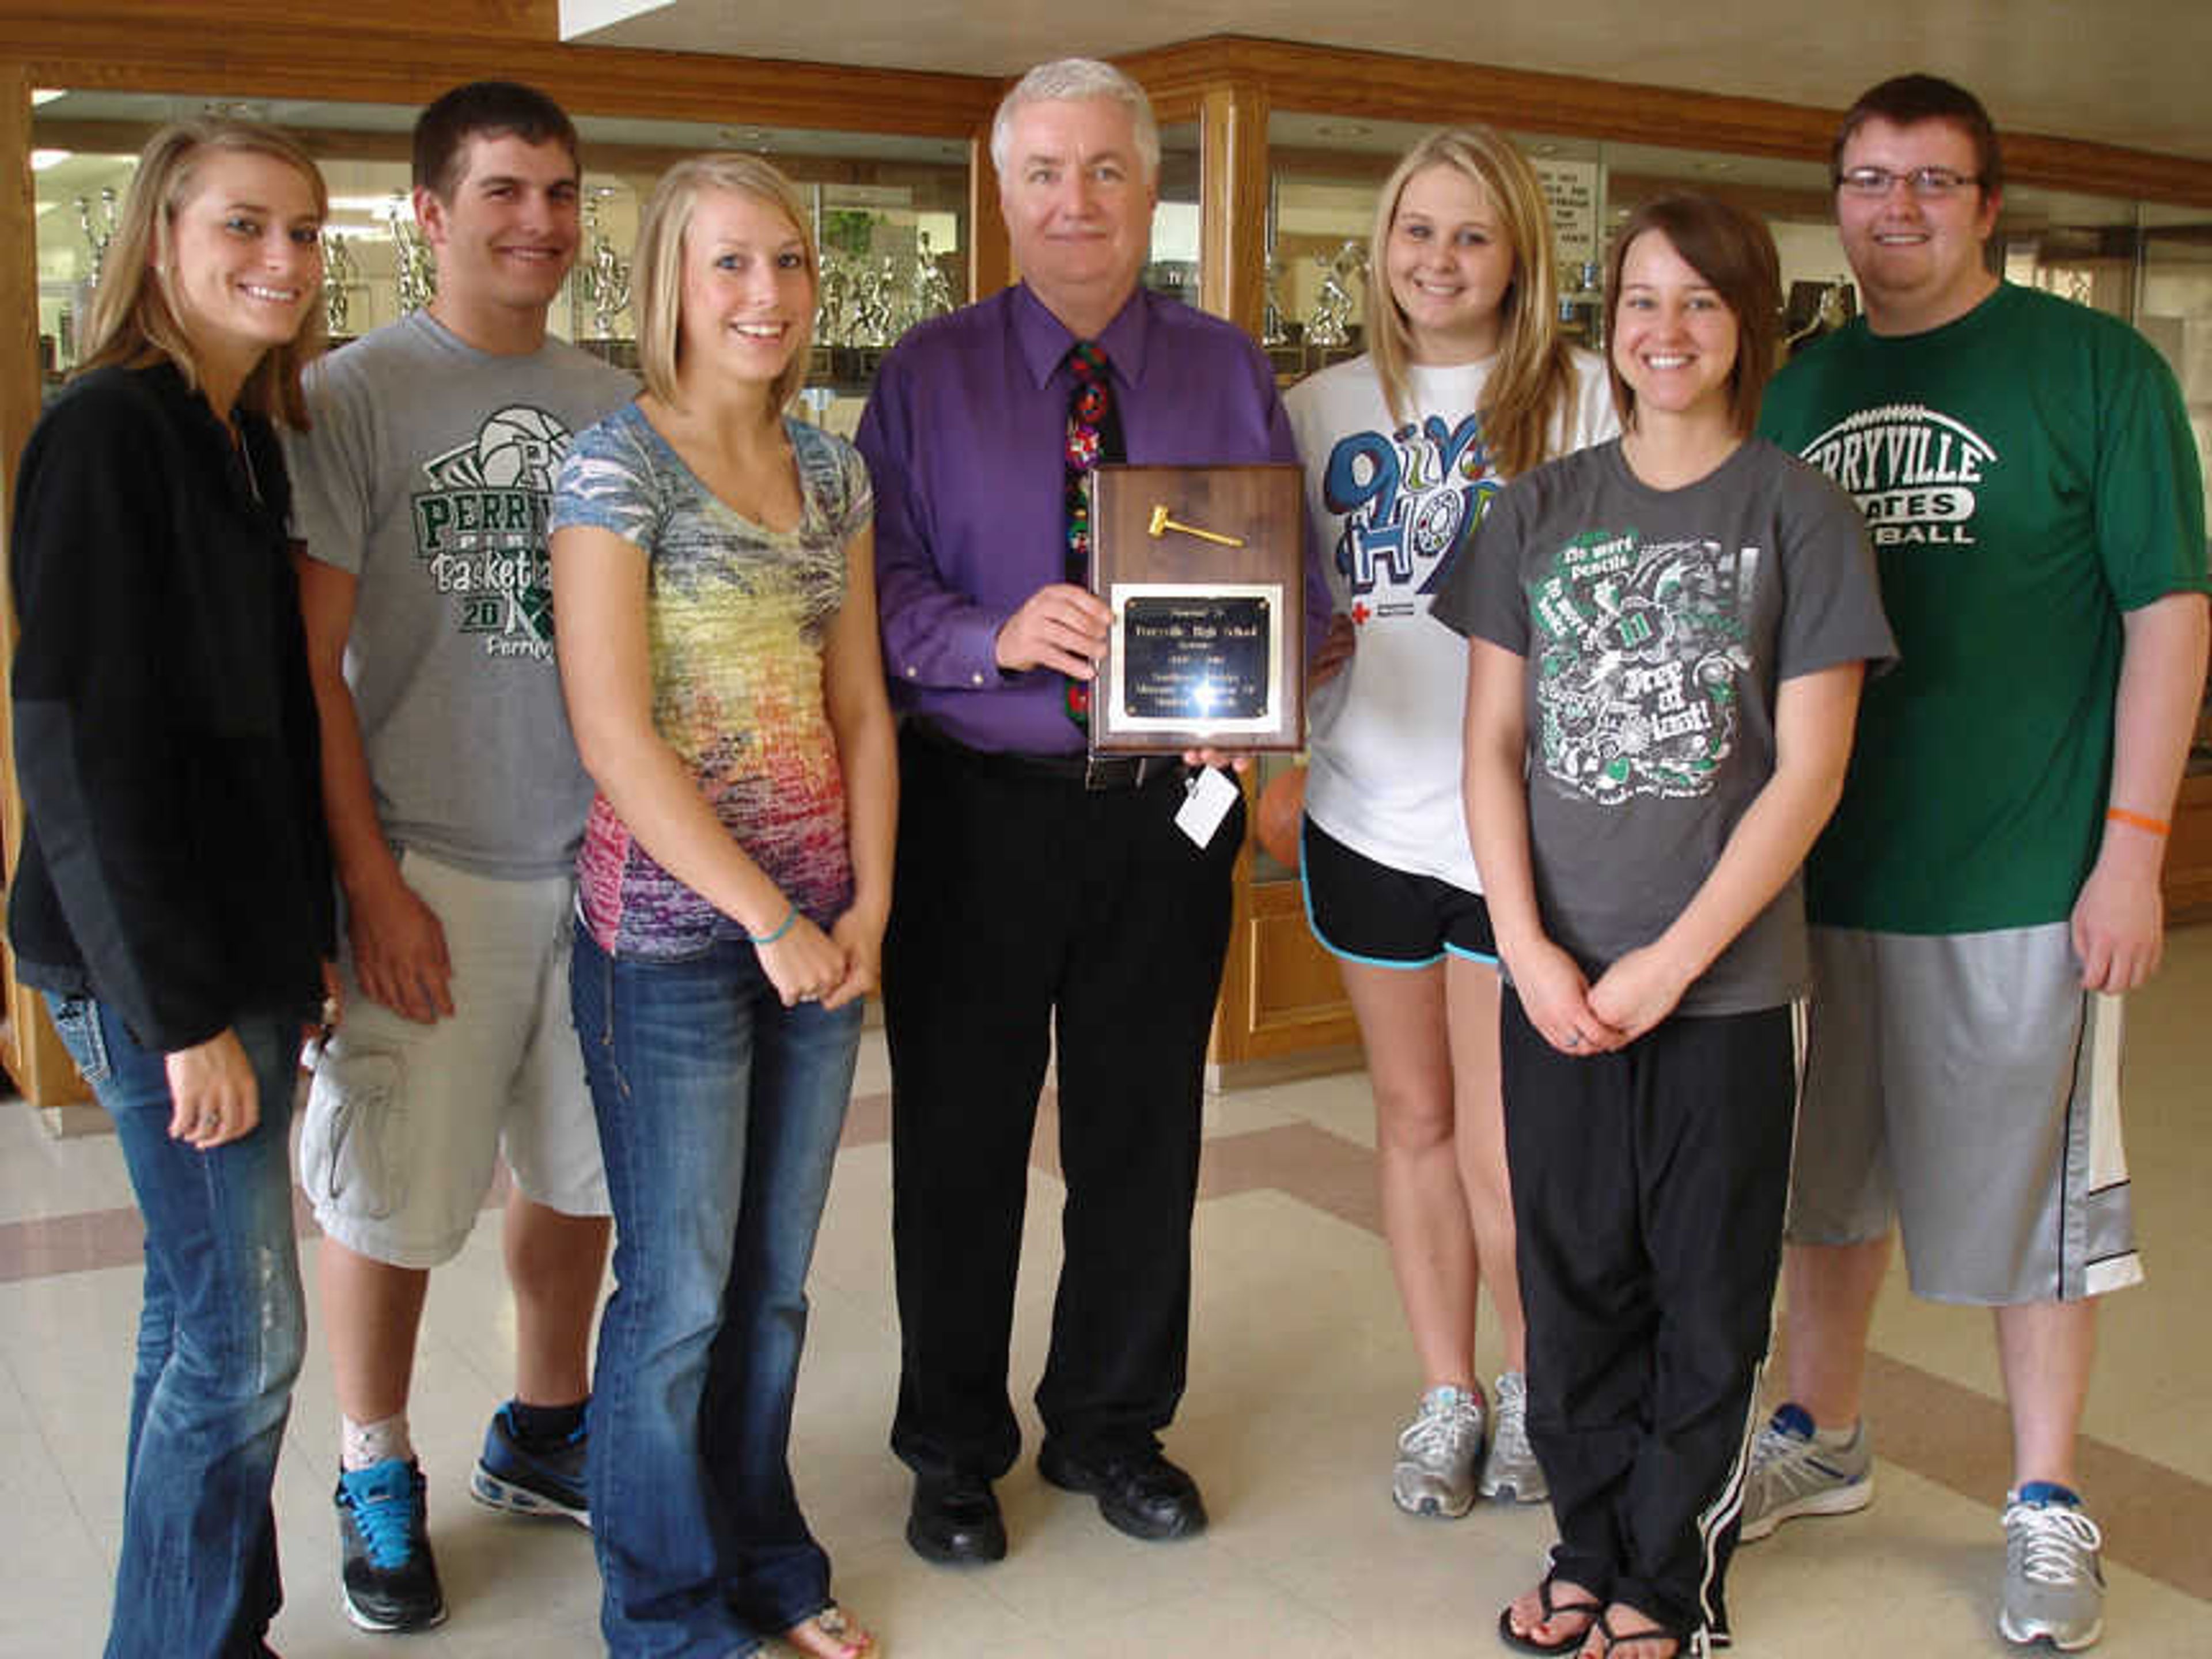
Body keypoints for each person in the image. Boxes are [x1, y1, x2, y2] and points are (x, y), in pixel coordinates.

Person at [1743, 74, 2210, 1653]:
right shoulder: (1798, 391)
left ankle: (2046, 1497)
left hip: (2024, 879)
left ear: (1989, 206)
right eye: (1870, 181)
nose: (1898, 210)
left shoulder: (2099, 372)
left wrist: (2134, 851)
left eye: (1933, 183)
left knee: (2039, 1207)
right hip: (1817, 877)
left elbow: (2169, 615)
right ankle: (1823, 1431)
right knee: (1826, 1188)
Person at [855, 55, 1330, 1565]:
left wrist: (1290, 674)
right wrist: (987, 635)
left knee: (1142, 1136)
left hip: (1166, 812)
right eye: (1046, 174)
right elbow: (874, 594)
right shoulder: (925, 375)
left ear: (1148, 189)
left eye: (1107, 171)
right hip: (973, 807)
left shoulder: (1222, 368)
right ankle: (950, 1449)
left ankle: (1112, 1426)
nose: (1078, 203)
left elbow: (1287, 574)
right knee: (959, 1139)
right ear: (1003, 196)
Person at [1440, 193, 1894, 1659]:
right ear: (1608, 324)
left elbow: (1810, 771)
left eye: (1701, 303)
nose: (1667, 331)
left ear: (1748, 329)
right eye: (1642, 301)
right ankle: (1584, 1545)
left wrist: (1669, 961)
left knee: (1705, 1288)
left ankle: (1669, 1577)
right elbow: (1491, 747)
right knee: (1569, 1276)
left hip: (1725, 987)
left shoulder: (1798, 514)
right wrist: (1527, 944)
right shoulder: (1539, 509)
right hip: (1554, 979)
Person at [283, 81, 634, 1633]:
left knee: (576, 1181)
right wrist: (368, 885)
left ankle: (546, 1429)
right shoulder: (353, 398)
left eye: (559, 194)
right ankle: (375, 1465)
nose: (536, 223)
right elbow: (313, 670)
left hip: (603, 869)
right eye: (501, 192)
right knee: (393, 1199)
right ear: (428, 212)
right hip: (430, 868)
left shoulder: (615, 399)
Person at [549, 151, 894, 1659]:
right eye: (729, 265)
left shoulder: (837, 471)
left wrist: (871, 900)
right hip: (677, 946)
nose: (765, 296)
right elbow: (613, 735)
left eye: (788, 265)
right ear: (672, 288)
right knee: (680, 1297)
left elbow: (863, 708)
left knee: (773, 1293)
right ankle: (668, 1609)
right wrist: (770, 916)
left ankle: (767, 1558)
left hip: (822, 940)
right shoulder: (611, 469)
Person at [7, 118, 334, 1659]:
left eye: (307, 232)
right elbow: (80, 748)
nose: (284, 259)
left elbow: (253, 725)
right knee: (247, 1339)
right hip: (155, 971)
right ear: (160, 238)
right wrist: (188, 1014)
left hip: (232, 953)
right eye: (246, 227)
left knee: (192, 1315)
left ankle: (209, 1625)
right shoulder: (107, 434)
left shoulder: (235, 431)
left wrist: (301, 949)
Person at [1285, 124, 1616, 1519]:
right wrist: (1261, 743)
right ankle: (1447, 1394)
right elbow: (1283, 614)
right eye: (1417, 231)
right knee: (1413, 1119)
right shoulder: (1314, 409)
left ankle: (1538, 1384)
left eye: (1473, 235)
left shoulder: (1589, 398)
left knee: (1507, 1135)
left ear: (1521, 255)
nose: (1440, 260)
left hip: (1519, 837)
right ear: (1381, 249)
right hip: (1365, 812)